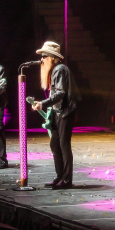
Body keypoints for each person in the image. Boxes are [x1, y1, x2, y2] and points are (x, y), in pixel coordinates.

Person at [32, 41, 81, 189]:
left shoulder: (60, 69)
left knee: (63, 145)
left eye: (44, 56)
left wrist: (43, 103)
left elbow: (60, 93)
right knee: (55, 143)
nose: (41, 59)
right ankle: (60, 176)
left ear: (52, 58)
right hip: (58, 111)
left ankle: (66, 180)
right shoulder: (55, 70)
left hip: (65, 112)